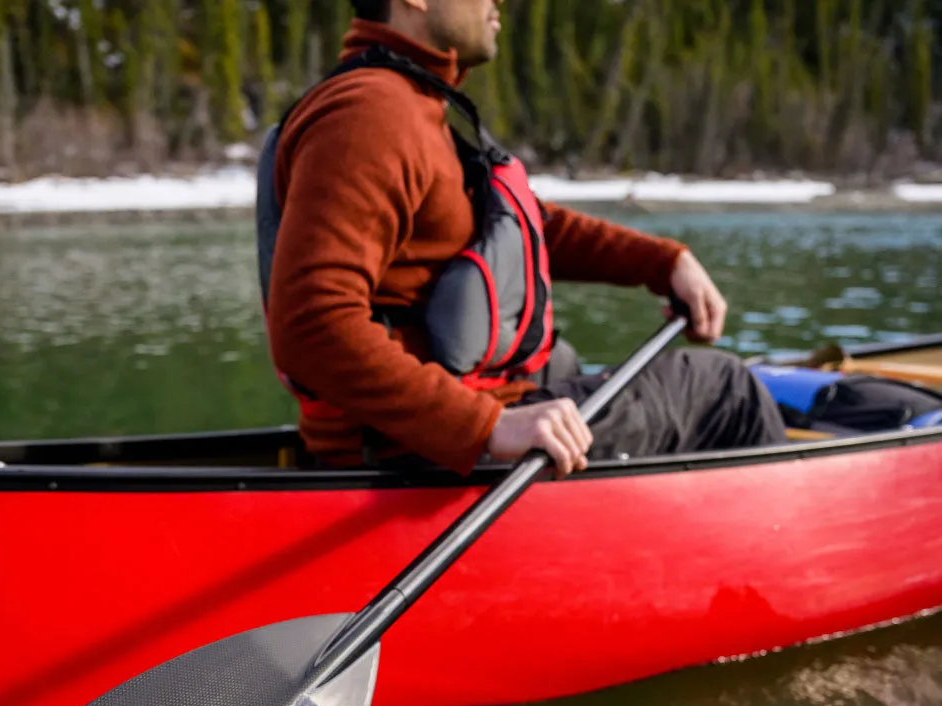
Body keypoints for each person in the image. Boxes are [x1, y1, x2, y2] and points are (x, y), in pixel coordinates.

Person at [264, 0, 787, 477]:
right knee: (724, 387)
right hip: (418, 451)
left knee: (562, 361)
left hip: (451, 426)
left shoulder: (412, 99)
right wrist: (486, 427)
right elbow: (310, 325)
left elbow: (520, 226)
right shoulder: (373, 114)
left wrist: (663, 262)